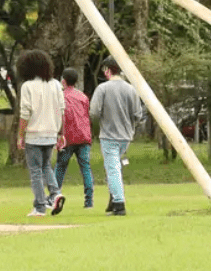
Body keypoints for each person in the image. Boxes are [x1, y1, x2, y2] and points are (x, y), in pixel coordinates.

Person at [90, 56, 144, 216]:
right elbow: (138, 114)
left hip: (109, 135)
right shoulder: (131, 89)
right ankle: (112, 200)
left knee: (112, 169)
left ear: (107, 70)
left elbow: (93, 112)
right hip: (126, 136)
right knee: (114, 167)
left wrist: (99, 122)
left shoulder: (103, 88)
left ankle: (119, 203)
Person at [16, 49, 65, 217]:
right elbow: (61, 110)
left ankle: (40, 206)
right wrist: (61, 134)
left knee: (36, 171)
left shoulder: (27, 86)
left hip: (34, 133)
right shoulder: (56, 85)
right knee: (46, 166)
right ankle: (55, 193)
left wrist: (21, 135)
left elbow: (25, 113)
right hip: (51, 132)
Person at [55, 68, 95, 209]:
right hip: (83, 136)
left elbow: (60, 116)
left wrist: (58, 136)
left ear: (63, 81)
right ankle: (89, 200)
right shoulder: (83, 96)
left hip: (68, 136)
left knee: (60, 166)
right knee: (85, 167)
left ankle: (55, 195)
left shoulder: (60, 96)